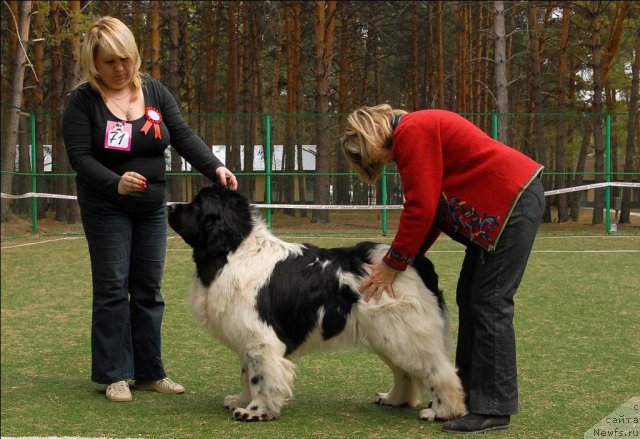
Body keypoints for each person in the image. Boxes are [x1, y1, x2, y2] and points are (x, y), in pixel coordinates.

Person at [63, 16, 238, 402]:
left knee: (149, 290)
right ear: (94, 63)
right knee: (112, 288)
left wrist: (214, 165)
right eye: (109, 62)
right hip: (106, 207)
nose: (120, 68)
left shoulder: (155, 91)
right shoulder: (83, 101)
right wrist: (116, 182)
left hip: (151, 208)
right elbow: (79, 157)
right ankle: (114, 374)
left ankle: (149, 372)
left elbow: (184, 137)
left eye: (125, 58)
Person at [341, 105, 544, 434]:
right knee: (471, 297)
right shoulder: (413, 133)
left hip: (512, 202)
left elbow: (420, 207)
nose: (377, 163)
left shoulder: (412, 131)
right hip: (502, 209)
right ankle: (463, 396)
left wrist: (394, 264)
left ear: (371, 136)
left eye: (368, 156)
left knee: (490, 302)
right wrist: (409, 259)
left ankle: (493, 408)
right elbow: (434, 209)